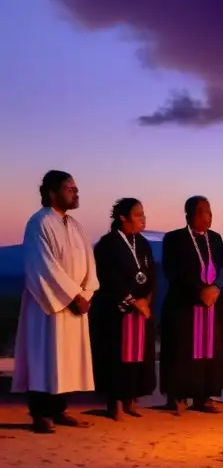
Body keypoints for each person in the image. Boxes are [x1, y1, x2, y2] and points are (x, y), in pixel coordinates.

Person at [13, 171, 98, 433]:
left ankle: (59, 409)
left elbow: (89, 264)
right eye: (69, 188)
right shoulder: (38, 222)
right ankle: (40, 413)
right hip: (48, 304)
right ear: (52, 193)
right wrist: (72, 296)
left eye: (75, 188)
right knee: (45, 358)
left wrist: (86, 293)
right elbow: (42, 265)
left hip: (76, 303)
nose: (75, 192)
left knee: (68, 359)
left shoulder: (75, 225)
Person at [160, 196, 223, 414]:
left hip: (212, 303)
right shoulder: (174, 238)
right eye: (202, 211)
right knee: (183, 349)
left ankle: (204, 397)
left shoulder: (216, 239)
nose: (207, 216)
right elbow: (172, 271)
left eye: (209, 211)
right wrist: (199, 290)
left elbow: (221, 269)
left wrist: (216, 288)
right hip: (185, 303)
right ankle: (178, 396)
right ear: (189, 214)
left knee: (212, 349)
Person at [91, 198, 158, 420]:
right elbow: (108, 277)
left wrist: (146, 299)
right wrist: (132, 301)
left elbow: (150, 275)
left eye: (143, 214)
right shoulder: (108, 244)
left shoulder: (144, 243)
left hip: (141, 309)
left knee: (139, 355)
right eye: (138, 214)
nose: (143, 219)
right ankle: (115, 402)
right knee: (116, 355)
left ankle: (131, 399)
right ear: (123, 217)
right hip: (118, 309)